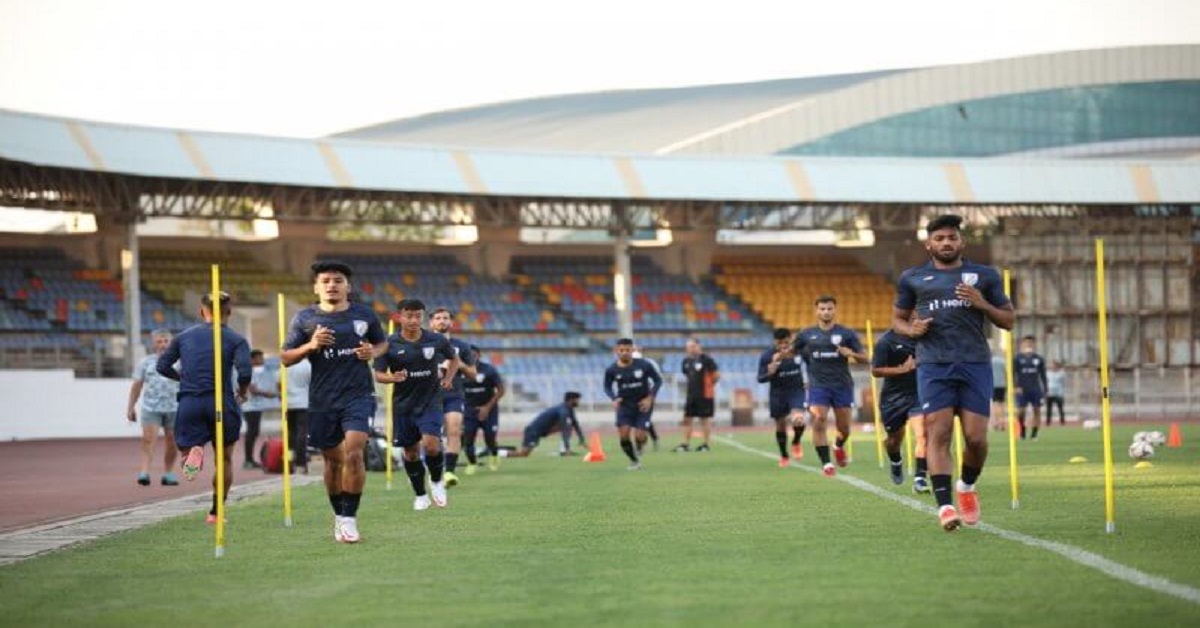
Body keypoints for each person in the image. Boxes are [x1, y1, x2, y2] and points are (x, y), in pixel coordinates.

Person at [893, 214, 1014, 531]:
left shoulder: (984, 276)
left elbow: (1008, 321)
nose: (946, 243)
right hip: (933, 365)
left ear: (962, 241)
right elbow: (898, 320)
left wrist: (982, 304)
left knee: (976, 439)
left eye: (951, 237)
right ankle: (945, 507)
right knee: (939, 432)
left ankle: (966, 486)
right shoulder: (912, 278)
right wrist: (912, 330)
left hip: (974, 363)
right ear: (928, 244)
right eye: (939, 238)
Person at [281, 260, 387, 544]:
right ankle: (339, 514)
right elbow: (285, 357)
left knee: (354, 452)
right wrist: (311, 346)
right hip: (322, 400)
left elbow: (381, 343)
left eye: (338, 281)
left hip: (359, 395)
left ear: (347, 287)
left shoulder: (364, 315)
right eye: (326, 281)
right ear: (316, 287)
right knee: (333, 461)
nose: (332, 285)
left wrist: (372, 352)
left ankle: (350, 518)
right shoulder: (305, 319)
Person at [156, 292, 251, 524]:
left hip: (190, 401)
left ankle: (192, 451)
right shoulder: (236, 339)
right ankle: (216, 512)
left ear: (201, 311)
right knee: (224, 459)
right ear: (229, 311)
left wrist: (182, 378)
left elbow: (162, 366)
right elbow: (245, 372)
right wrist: (242, 391)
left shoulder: (183, 337)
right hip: (221, 401)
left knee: (187, 445)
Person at [373, 298, 460, 511]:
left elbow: (454, 359)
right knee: (411, 452)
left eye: (418, 316)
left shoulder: (436, 340)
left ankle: (437, 481)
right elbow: (378, 374)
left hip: (430, 401)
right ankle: (420, 494)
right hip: (403, 406)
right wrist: (393, 378)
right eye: (409, 316)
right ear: (399, 317)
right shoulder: (388, 343)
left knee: (431, 445)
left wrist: (448, 378)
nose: (413, 320)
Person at [793, 296, 868, 477]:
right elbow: (792, 352)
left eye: (829, 308)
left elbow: (865, 358)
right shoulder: (806, 334)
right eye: (822, 309)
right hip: (818, 385)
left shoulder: (847, 334)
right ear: (816, 311)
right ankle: (826, 463)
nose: (826, 312)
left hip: (842, 385)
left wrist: (851, 353)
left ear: (835, 310)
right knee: (819, 419)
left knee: (844, 429)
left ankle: (838, 446)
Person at [870, 327, 929, 492]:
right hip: (893, 398)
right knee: (894, 440)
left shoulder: (926, 337)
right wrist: (901, 370)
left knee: (923, 434)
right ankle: (895, 460)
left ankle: (920, 478)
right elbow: (876, 370)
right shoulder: (886, 341)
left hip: (919, 393)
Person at [126, 329, 180, 486]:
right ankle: (144, 472)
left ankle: (168, 473)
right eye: (159, 341)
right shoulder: (145, 362)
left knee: (173, 442)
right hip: (151, 408)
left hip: (175, 408)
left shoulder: (180, 362)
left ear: (171, 343)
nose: (163, 345)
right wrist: (131, 407)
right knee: (148, 439)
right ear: (154, 344)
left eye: (166, 341)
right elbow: (137, 385)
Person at [429, 307, 477, 487]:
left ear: (451, 322)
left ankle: (449, 472)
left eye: (445, 318)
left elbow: (473, 374)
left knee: (454, 430)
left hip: (453, 395)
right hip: (428, 396)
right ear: (431, 322)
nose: (442, 321)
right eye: (438, 318)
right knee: (430, 436)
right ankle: (433, 469)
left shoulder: (462, 346)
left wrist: (458, 363)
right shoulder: (424, 343)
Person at [604, 338, 662, 469]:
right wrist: (614, 398)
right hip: (625, 405)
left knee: (640, 436)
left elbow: (658, 381)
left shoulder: (644, 365)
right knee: (624, 435)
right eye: (622, 350)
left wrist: (650, 398)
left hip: (643, 404)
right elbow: (607, 387)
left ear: (632, 350)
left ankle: (640, 447)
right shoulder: (611, 369)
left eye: (628, 350)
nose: (625, 352)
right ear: (616, 351)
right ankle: (634, 461)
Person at [757, 328, 807, 467]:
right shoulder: (767, 356)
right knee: (780, 425)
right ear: (775, 342)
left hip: (796, 391)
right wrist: (770, 373)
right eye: (780, 343)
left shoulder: (798, 351)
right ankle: (784, 455)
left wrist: (811, 380)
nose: (783, 346)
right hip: (778, 394)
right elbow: (760, 378)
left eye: (786, 342)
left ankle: (796, 441)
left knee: (798, 420)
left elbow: (812, 364)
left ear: (791, 340)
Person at [462, 345, 505, 473]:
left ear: (479, 355)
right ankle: (472, 463)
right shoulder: (460, 370)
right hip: (470, 411)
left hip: (489, 409)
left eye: (474, 355)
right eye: (469, 355)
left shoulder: (489, 370)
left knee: (490, 437)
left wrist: (486, 408)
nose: (471, 358)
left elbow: (501, 390)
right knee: (468, 438)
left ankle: (494, 455)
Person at [673, 338, 719, 452]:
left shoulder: (707, 359)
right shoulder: (686, 361)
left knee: (704, 419)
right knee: (687, 419)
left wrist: (708, 385)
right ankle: (685, 444)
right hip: (691, 395)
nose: (690, 349)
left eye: (693, 346)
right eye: (688, 347)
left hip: (704, 395)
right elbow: (687, 375)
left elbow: (716, 375)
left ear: (699, 346)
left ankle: (706, 444)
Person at [509, 392, 582, 457]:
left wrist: (582, 439)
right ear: (571, 400)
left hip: (543, 430)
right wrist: (567, 447)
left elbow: (575, 423)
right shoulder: (563, 410)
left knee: (568, 425)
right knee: (523, 454)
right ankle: (503, 453)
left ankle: (564, 451)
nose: (579, 402)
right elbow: (564, 430)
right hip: (533, 431)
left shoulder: (569, 409)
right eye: (577, 400)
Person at [240, 349, 278, 469]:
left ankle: (250, 459)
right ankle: (248, 460)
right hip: (250, 407)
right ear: (252, 360)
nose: (262, 360)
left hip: (256, 406)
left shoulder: (258, 372)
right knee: (251, 433)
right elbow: (253, 390)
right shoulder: (249, 373)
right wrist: (270, 394)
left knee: (254, 432)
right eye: (259, 358)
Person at [1014, 336, 1048, 440]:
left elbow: (1043, 375)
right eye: (1026, 343)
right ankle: (1022, 430)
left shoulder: (1038, 358)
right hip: (1022, 388)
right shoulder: (1017, 358)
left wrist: (1045, 389)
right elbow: (1012, 373)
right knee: (1021, 411)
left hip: (1035, 388)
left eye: (1030, 343)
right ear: (1022, 344)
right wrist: (1015, 386)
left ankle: (1034, 434)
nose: (1028, 345)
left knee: (1037, 410)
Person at [632, 344, 662, 452]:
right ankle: (653, 438)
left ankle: (639, 445)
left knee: (642, 420)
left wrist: (652, 395)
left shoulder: (649, 363)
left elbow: (657, 379)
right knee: (639, 419)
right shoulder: (628, 363)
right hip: (632, 395)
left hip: (646, 394)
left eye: (637, 349)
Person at [285, 356, 312, 474]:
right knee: (302, 433)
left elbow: (279, 384)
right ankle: (301, 463)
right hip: (304, 402)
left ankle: (290, 462)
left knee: (290, 434)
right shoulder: (308, 366)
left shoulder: (285, 365)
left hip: (288, 403)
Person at [990, 343, 1008, 431]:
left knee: (995, 404)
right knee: (1002, 404)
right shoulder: (1003, 361)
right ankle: (1002, 422)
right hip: (1002, 384)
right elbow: (1006, 373)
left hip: (994, 384)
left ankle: (998, 422)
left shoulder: (989, 362)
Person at [1045, 360, 1066, 426]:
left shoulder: (1061, 373)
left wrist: (1062, 393)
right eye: (1052, 366)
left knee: (1060, 408)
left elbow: (1063, 383)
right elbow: (1046, 382)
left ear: (1057, 366)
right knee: (1049, 409)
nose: (1053, 367)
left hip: (1058, 393)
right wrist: (1046, 391)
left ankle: (1062, 421)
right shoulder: (1048, 373)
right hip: (1049, 393)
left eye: (1054, 365)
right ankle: (1048, 422)